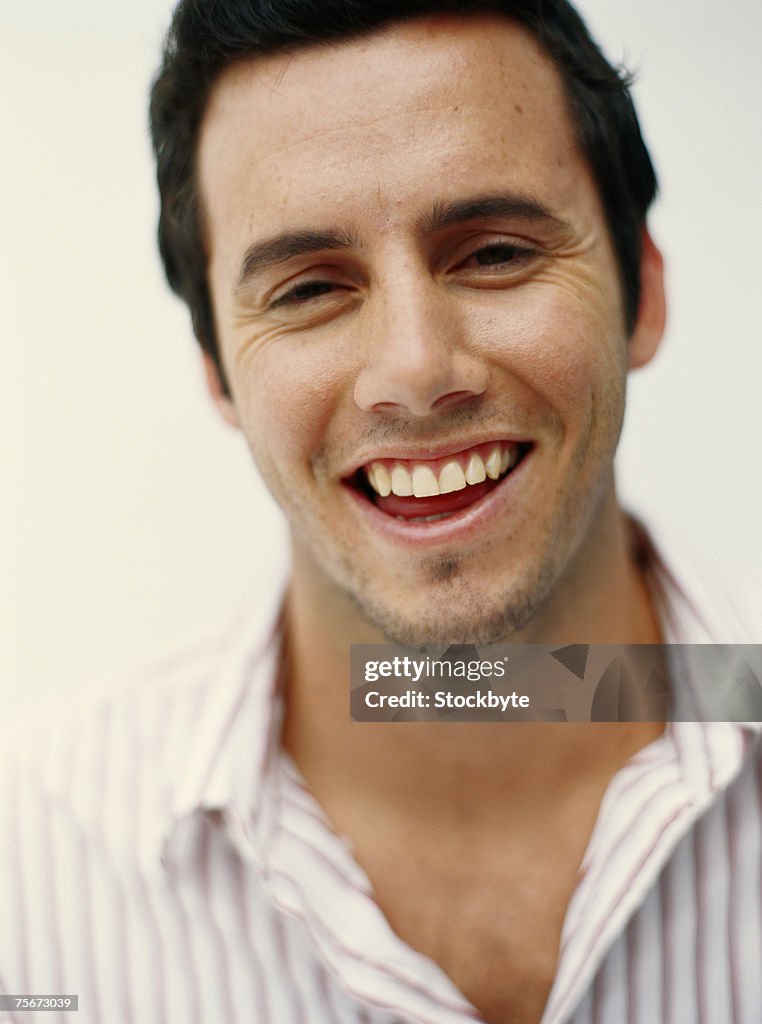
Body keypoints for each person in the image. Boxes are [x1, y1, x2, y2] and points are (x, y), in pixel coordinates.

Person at [0, 2, 759, 1023]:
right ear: (219, 375)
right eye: (310, 287)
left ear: (643, 293)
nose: (414, 370)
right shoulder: (29, 870)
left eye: (494, 252)